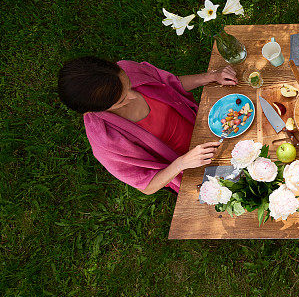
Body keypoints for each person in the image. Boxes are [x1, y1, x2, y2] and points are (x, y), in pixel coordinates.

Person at [57, 57, 237, 194]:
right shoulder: (105, 141)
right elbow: (147, 186)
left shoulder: (128, 68)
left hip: (212, 128)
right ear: (94, 111)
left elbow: (170, 84)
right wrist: (182, 163)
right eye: (122, 101)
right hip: (197, 169)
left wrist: (211, 76)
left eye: (128, 84)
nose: (134, 95)